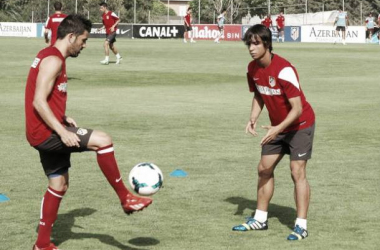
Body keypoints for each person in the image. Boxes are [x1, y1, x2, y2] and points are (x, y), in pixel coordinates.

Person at [25, 14, 152, 250]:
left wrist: (63, 118)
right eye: (83, 40)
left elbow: (46, 99)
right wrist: (62, 131)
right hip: (46, 132)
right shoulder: (53, 60)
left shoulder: (50, 56)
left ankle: (41, 244)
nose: (84, 45)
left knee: (59, 184)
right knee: (103, 140)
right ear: (71, 36)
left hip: (43, 129)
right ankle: (126, 197)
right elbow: (38, 102)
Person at [232, 24, 315, 241]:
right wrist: (253, 118)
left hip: (300, 125)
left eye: (256, 43)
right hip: (277, 127)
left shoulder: (284, 69)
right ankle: (260, 218)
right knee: (264, 169)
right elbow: (260, 95)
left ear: (267, 44)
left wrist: (278, 128)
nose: (251, 48)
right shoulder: (252, 69)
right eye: (249, 43)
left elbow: (297, 108)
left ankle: (301, 225)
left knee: (297, 172)